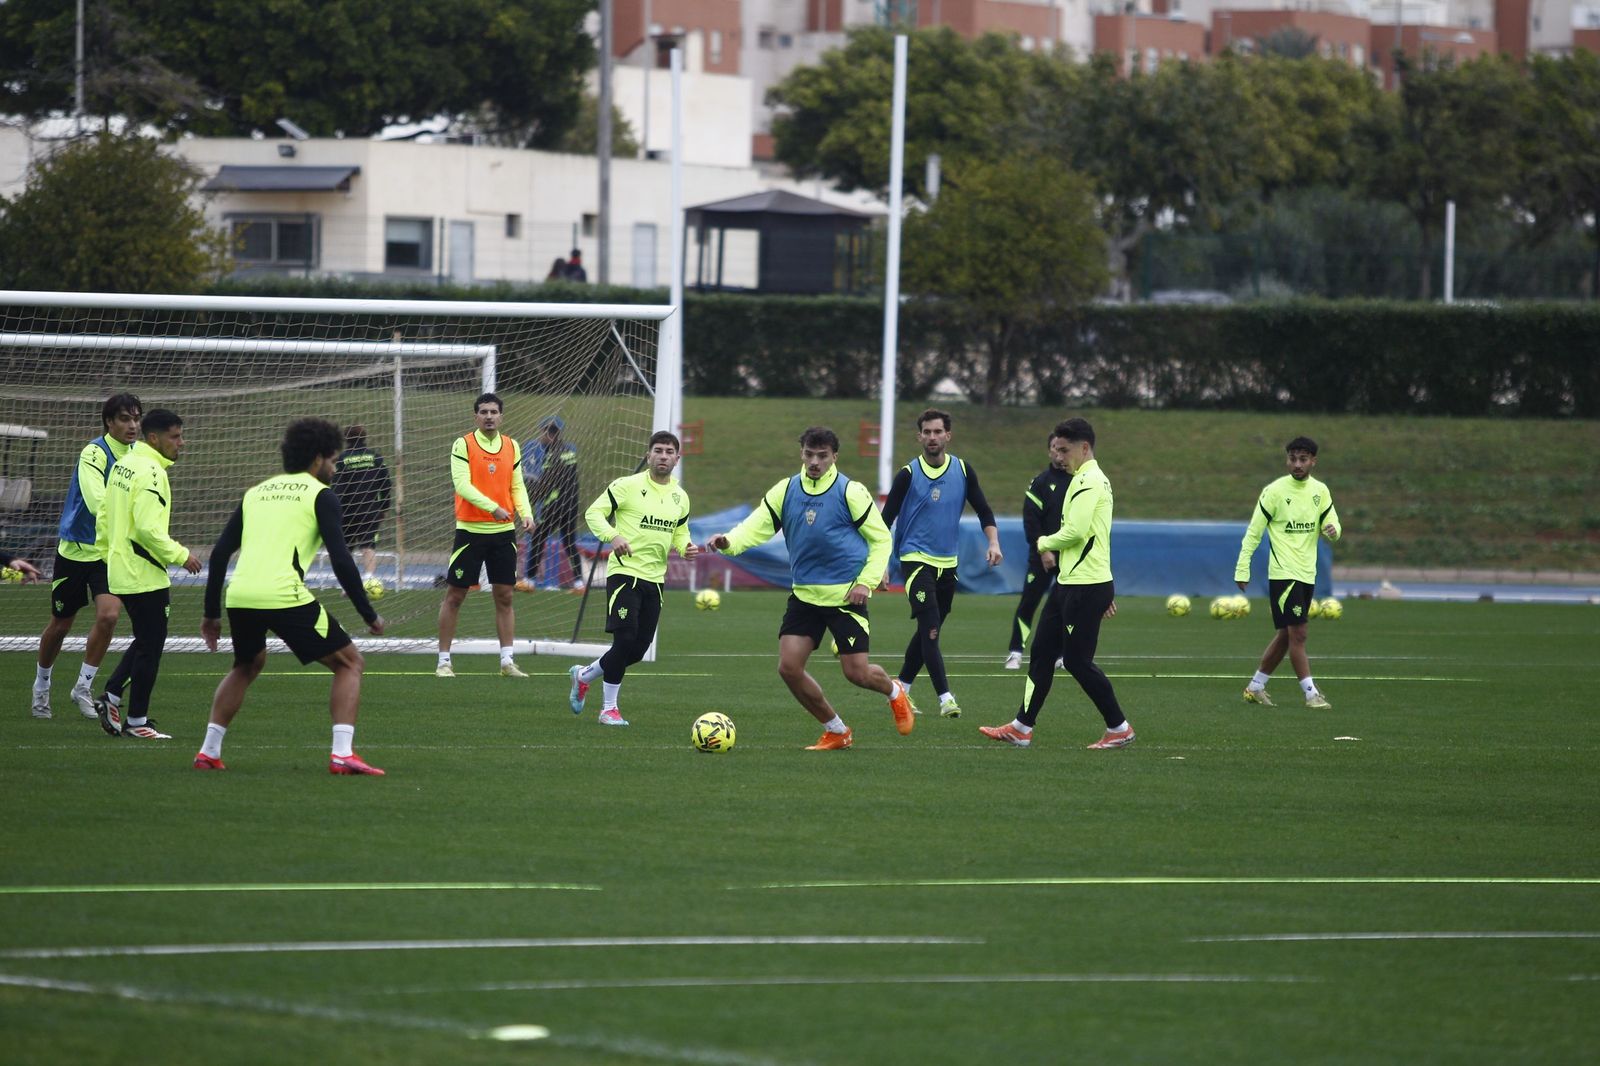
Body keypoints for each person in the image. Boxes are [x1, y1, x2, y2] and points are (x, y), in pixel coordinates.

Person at [198, 418, 387, 774]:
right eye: (333, 461)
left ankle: (209, 751)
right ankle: (343, 754)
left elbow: (220, 553)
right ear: (318, 459)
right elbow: (343, 559)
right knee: (350, 663)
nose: (334, 468)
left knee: (246, 665)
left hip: (240, 596)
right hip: (283, 594)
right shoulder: (321, 495)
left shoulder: (256, 492)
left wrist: (211, 613)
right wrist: (368, 614)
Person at [707, 426, 915, 750]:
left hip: (846, 596)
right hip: (805, 595)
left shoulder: (850, 492)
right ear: (801, 453)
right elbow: (757, 525)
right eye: (809, 454)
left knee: (856, 674)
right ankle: (836, 730)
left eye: (822, 456)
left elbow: (880, 539)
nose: (815, 462)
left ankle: (893, 691)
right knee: (789, 668)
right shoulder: (786, 490)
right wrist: (729, 541)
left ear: (834, 456)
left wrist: (866, 581)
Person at [980, 417, 1133, 750]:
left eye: (1066, 450)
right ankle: (1022, 727)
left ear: (1084, 447)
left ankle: (1118, 726)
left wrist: (1042, 543)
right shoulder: (1087, 478)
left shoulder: (1089, 481)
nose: (1060, 457)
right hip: (1073, 582)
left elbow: (1076, 532)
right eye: (1057, 450)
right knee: (1042, 652)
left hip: (1085, 586)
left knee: (1078, 662)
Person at [567, 431, 699, 726]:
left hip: (655, 580)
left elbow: (679, 531)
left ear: (677, 459)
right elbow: (594, 514)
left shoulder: (680, 496)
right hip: (625, 574)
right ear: (648, 455)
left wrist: (685, 547)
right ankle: (608, 709)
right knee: (624, 639)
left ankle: (584, 675)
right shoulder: (626, 486)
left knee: (638, 649)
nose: (663, 456)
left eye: (669, 452)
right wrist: (613, 536)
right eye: (658, 450)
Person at [878, 408, 1002, 718]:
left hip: (948, 564)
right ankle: (946, 698)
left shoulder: (962, 470)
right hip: (915, 559)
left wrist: (994, 542)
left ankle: (901, 689)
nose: (932, 437)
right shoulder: (908, 474)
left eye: (938, 432)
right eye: (927, 432)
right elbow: (884, 522)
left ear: (948, 435)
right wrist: (881, 563)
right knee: (931, 630)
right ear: (919, 436)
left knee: (927, 630)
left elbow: (984, 510)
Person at [91, 409, 203, 740]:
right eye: (175, 436)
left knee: (146, 641)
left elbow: (105, 516)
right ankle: (136, 721)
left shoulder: (124, 464)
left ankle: (111, 696)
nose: (181, 443)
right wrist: (182, 556)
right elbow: (148, 530)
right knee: (150, 647)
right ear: (153, 438)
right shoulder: (152, 473)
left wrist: (107, 554)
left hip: (122, 568)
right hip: (144, 574)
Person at [29, 393, 141, 721]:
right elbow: (96, 501)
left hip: (109, 553)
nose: (132, 425)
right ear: (109, 422)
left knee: (108, 617)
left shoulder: (140, 455)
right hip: (76, 551)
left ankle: (83, 687)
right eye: (124, 418)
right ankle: (41, 683)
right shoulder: (94, 452)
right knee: (61, 624)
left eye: (136, 418)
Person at [1236, 436, 1342, 710]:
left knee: (1287, 634)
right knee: (1300, 633)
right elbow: (1253, 533)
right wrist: (1242, 567)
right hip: (1284, 574)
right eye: (1292, 459)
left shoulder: (1321, 491)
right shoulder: (1273, 491)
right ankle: (1311, 694)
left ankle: (1255, 686)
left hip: (1307, 574)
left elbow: (1333, 523)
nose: (1297, 464)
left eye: (1303, 459)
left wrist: (1333, 530)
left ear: (1313, 461)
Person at [436, 392, 534, 679]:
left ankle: (507, 662)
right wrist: (493, 507)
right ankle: (443, 661)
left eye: (494, 412)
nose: (489, 416)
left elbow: (517, 485)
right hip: (470, 532)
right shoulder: (463, 444)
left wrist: (526, 513)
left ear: (501, 416)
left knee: (505, 596)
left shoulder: (511, 445)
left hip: (503, 534)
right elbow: (462, 485)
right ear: (475, 416)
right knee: (455, 595)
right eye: (483, 412)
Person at [1004, 430, 1073, 670]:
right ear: (1049, 450)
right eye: (1054, 447)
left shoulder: (1079, 481)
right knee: (1029, 603)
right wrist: (1043, 550)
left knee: (1068, 606)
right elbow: (1031, 521)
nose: (1058, 452)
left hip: (1069, 557)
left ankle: (1063, 654)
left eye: (1062, 447)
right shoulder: (1041, 483)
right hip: (1041, 556)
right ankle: (1015, 651)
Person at [523, 416, 584, 591]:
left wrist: (530, 498)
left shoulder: (552, 455)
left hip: (554, 505)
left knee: (538, 538)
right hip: (571, 505)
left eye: (543, 432)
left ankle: (529, 581)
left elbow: (547, 484)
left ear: (549, 434)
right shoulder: (569, 452)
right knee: (570, 542)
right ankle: (579, 584)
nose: (541, 436)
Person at [331, 424, 392, 580]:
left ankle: (348, 585)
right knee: (368, 545)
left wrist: (335, 510)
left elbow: (337, 487)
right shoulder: (376, 458)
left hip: (346, 510)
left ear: (346, 439)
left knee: (346, 549)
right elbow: (386, 484)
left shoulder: (342, 460)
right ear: (364, 438)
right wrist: (384, 507)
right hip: (370, 510)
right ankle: (369, 579)